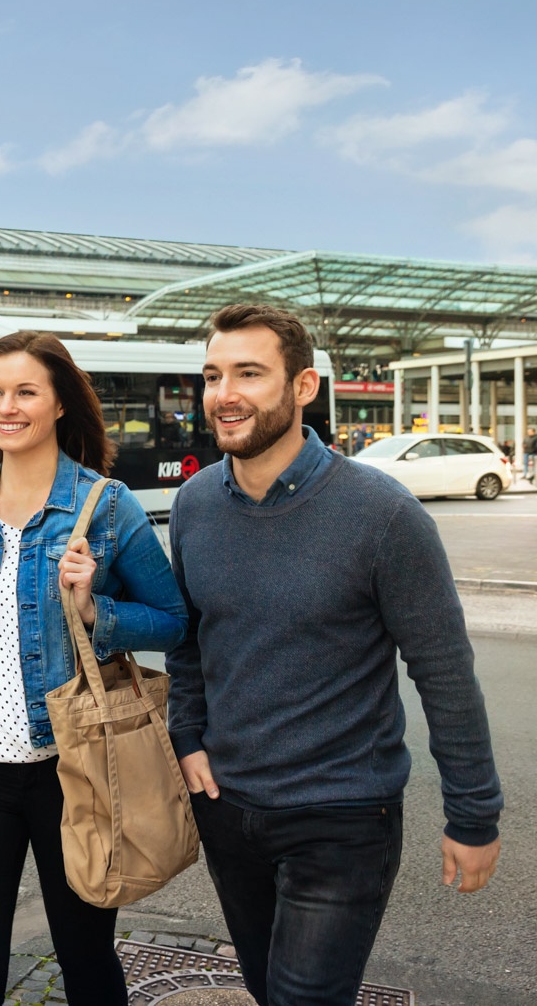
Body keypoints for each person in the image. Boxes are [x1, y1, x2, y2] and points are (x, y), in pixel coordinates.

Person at [166, 304, 503, 1006]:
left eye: (249, 373)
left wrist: (473, 815)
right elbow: (189, 639)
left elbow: (444, 672)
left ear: (304, 387)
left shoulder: (383, 513)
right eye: (213, 375)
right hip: (227, 807)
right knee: (265, 987)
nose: (224, 394)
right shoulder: (194, 504)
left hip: (342, 817)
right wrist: (187, 734)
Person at [0, 331, 188, 1005]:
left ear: (60, 403)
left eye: (26, 391)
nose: (7, 407)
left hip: (74, 766)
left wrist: (96, 611)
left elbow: (174, 619)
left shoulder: (107, 506)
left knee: (87, 963)